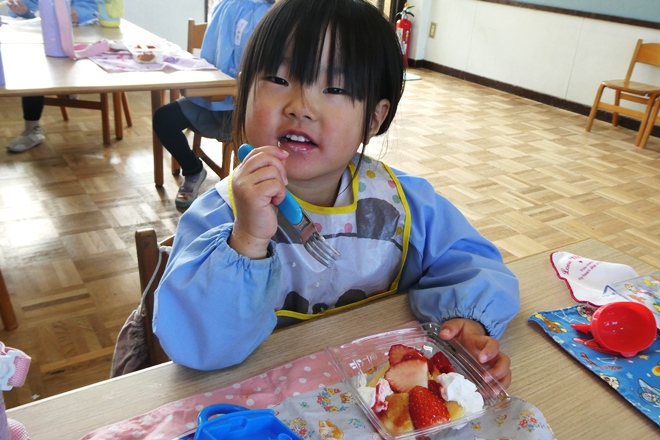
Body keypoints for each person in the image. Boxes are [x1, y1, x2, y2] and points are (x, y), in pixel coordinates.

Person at [153, 0, 520, 386]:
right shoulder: (218, 217)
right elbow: (197, 347)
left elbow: (473, 264)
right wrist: (246, 240)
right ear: (243, 93)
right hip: (259, 403)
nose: (301, 107)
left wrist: (467, 320)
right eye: (278, 79)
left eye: (334, 88)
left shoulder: (405, 204)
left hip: (378, 397)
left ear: (373, 119)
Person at [152, 0, 274, 210]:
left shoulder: (272, 15)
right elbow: (209, 57)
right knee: (163, 119)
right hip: (209, 100)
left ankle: (243, 193)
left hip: (246, 108)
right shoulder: (227, 6)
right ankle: (193, 170)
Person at [6, 0, 98, 153]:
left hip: (79, 33)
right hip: (40, 35)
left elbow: (92, 5)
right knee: (33, 67)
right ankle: (32, 129)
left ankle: (70, 82)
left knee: (80, 53)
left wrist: (79, 13)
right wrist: (25, 11)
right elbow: (25, 9)